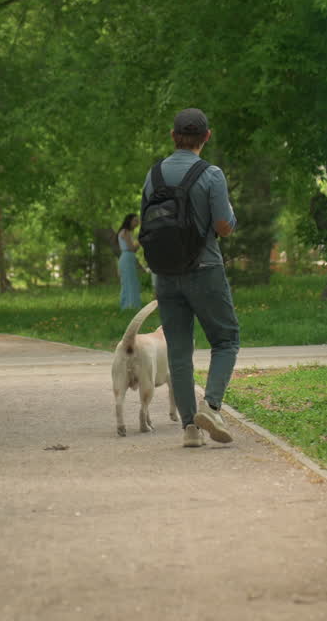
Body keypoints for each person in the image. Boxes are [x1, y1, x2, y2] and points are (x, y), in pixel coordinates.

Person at [142, 108, 240, 448]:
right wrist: (231, 219)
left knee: (178, 351)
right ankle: (211, 406)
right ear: (206, 137)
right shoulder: (211, 175)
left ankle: (189, 430)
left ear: (173, 136)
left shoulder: (153, 175)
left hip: (165, 274)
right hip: (205, 270)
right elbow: (222, 226)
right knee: (226, 340)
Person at [117, 213, 142, 309]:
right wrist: (140, 241)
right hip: (127, 257)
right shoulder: (125, 232)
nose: (137, 223)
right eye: (135, 220)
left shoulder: (126, 232)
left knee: (129, 281)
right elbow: (132, 248)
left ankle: (128, 304)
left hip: (128, 257)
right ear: (129, 221)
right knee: (130, 282)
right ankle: (130, 305)